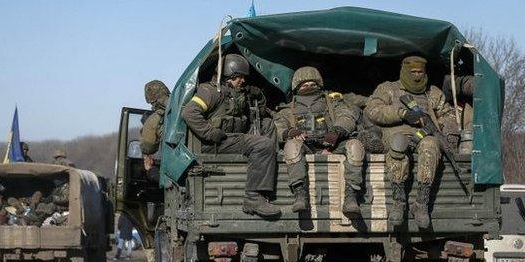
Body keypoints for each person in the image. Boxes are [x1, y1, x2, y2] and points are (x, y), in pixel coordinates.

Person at [181, 53, 280, 218]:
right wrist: (210, 132)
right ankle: (253, 198)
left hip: (232, 140)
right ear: (228, 76)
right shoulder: (210, 92)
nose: (243, 81)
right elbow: (189, 112)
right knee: (263, 145)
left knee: (268, 125)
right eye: (239, 77)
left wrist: (258, 95)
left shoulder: (237, 93)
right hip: (217, 143)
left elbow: (260, 111)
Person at [365, 56, 458, 229]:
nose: (417, 76)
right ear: (404, 71)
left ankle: (421, 203)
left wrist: (451, 134)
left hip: (424, 134)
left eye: (420, 72)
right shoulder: (388, 89)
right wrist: (401, 113)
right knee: (398, 144)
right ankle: (399, 202)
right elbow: (373, 110)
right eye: (413, 72)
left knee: (430, 145)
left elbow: (447, 114)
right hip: (395, 135)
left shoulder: (433, 93)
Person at [274, 66, 365, 218]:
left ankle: (351, 197)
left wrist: (336, 131)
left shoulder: (333, 102)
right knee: (291, 146)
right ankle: (300, 195)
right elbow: (277, 126)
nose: (309, 87)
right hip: (306, 147)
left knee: (355, 146)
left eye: (312, 84)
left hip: (332, 144)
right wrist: (289, 132)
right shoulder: (288, 108)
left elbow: (347, 116)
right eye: (304, 84)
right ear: (296, 86)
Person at [140, 80, 170, 183]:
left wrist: (146, 127)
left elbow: (147, 148)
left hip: (177, 164)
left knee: (153, 172)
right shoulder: (182, 104)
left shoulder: (155, 119)